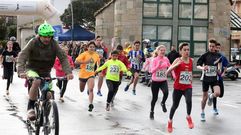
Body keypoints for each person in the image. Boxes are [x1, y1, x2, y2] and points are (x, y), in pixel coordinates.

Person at [17, 22, 74, 121]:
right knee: (37, 81)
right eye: (45, 36)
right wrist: (21, 71)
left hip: (46, 71)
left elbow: (63, 58)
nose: (47, 39)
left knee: (49, 95)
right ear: (39, 35)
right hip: (32, 69)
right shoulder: (33, 42)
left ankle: (46, 114)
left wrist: (68, 72)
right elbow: (23, 56)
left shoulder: (54, 44)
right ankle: (30, 107)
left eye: (49, 36)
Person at [165, 43, 194, 133]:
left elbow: (189, 72)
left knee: (189, 101)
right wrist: (175, 65)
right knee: (175, 106)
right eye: (184, 50)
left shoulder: (191, 60)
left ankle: (188, 116)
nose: (187, 51)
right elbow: (168, 71)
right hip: (178, 87)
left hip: (187, 86)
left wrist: (191, 78)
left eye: (188, 50)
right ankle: (170, 121)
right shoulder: (177, 60)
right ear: (180, 51)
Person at [196, 39, 222, 122]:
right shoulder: (205, 55)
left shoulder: (218, 55)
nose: (211, 47)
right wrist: (203, 68)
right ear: (208, 46)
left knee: (217, 93)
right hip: (206, 79)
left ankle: (211, 96)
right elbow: (197, 65)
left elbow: (219, 65)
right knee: (204, 98)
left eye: (213, 46)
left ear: (215, 47)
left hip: (214, 78)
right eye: (210, 46)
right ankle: (202, 112)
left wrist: (219, 70)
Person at [75, 41, 100, 112]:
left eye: (93, 47)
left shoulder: (96, 55)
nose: (92, 48)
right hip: (83, 75)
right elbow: (76, 61)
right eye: (90, 47)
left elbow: (98, 64)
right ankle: (87, 89)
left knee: (91, 89)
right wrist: (85, 62)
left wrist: (98, 70)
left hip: (91, 74)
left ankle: (90, 104)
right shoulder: (84, 54)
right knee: (81, 90)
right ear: (88, 48)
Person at [149, 45, 172, 119]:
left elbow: (171, 67)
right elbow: (151, 71)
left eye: (164, 50)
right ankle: (152, 111)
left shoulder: (166, 59)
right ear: (158, 51)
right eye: (161, 50)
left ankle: (163, 103)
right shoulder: (154, 60)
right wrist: (158, 66)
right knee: (154, 98)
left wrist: (174, 75)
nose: (162, 52)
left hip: (163, 80)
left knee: (166, 93)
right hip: (155, 81)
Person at [212, 42, 228, 115]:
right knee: (215, 93)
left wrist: (224, 72)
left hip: (220, 78)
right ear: (214, 48)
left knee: (221, 95)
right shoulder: (211, 56)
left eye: (219, 48)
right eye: (216, 48)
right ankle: (214, 108)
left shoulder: (222, 57)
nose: (217, 49)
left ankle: (211, 95)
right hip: (212, 79)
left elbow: (225, 66)